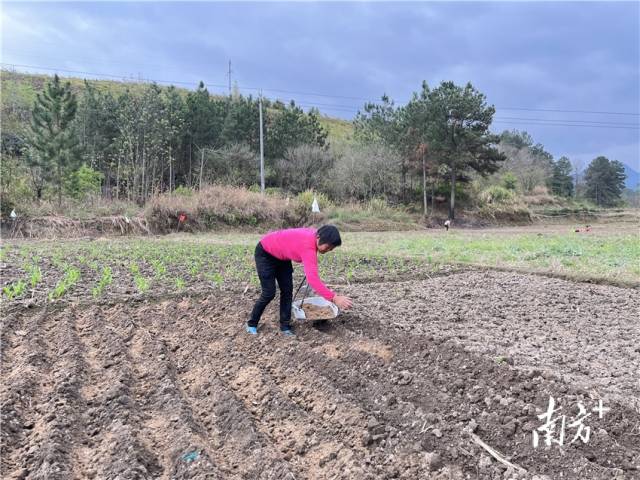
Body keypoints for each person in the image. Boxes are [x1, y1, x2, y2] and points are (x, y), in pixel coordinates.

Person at [247, 225, 353, 336]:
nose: (329, 250)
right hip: (266, 253)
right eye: (328, 246)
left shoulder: (314, 237)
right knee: (269, 293)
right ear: (319, 237)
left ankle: (285, 326)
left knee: (287, 291)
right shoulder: (308, 246)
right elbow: (313, 279)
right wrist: (334, 298)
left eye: (332, 248)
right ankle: (252, 324)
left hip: (282, 257)